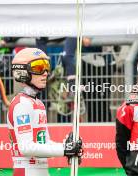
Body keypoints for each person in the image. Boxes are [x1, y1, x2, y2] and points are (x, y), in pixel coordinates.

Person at [7, 48, 82, 176]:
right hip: (26, 171)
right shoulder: (22, 104)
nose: (45, 73)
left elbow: (44, 143)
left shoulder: (38, 103)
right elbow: (26, 147)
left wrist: (67, 147)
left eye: (46, 67)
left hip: (40, 170)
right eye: (38, 67)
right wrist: (64, 149)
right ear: (22, 71)